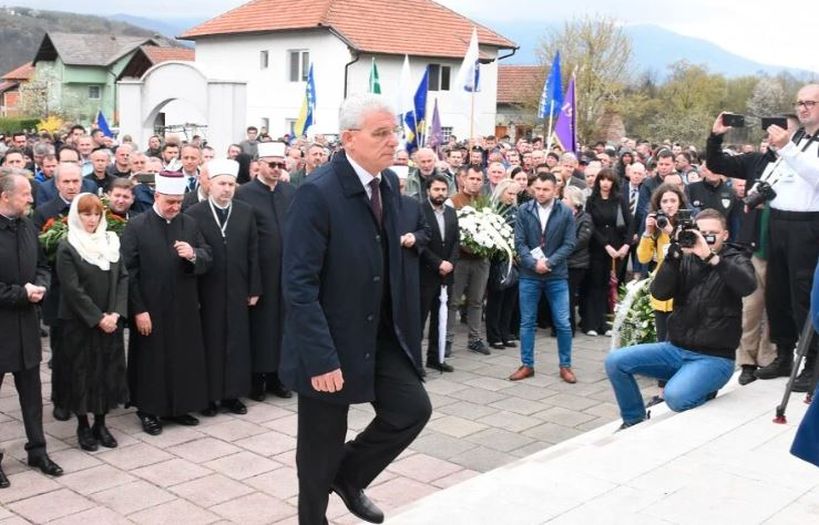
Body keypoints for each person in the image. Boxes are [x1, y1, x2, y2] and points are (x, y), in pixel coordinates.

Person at [280, 94, 431, 524]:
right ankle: (313, 518)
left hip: (376, 333)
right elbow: (298, 284)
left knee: (411, 410)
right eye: (380, 133)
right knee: (320, 445)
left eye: (393, 132)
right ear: (348, 139)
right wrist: (321, 358)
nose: (392, 142)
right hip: (328, 340)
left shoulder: (387, 185)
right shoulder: (318, 193)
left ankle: (349, 476)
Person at [605, 209, 756, 429]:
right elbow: (660, 293)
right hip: (675, 349)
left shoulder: (736, 258)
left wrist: (710, 257)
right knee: (615, 362)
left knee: (675, 397)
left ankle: (703, 387)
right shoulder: (684, 258)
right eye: (701, 233)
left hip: (714, 358)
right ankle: (633, 419)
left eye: (712, 234)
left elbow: (747, 286)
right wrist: (672, 258)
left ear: (725, 235)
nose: (705, 238)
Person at [121, 171, 212, 435]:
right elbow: (129, 272)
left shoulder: (190, 224)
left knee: (183, 357)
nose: (174, 207)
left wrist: (193, 254)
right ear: (157, 196)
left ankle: (180, 407)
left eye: (178, 202)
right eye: (169, 201)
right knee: (152, 361)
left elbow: (208, 255)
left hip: (183, 306)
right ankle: (149, 411)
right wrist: (138, 310)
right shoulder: (137, 226)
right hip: (151, 308)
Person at [746, 86, 819, 392]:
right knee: (777, 293)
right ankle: (784, 354)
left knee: (803, 295)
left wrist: (787, 147)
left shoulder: (796, 143)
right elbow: (778, 172)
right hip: (778, 220)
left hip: (808, 224)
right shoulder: (798, 137)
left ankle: (813, 363)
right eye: (799, 103)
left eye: (810, 103)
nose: (803, 108)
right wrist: (759, 188)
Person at [0, 171, 64, 487]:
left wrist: (40, 286)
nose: (31, 199)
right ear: (5, 196)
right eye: (25, 193)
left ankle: (37, 450)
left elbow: (42, 265)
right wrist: (21, 294)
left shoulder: (27, 225)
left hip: (26, 325)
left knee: (33, 395)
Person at [54, 194, 128, 451]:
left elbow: (122, 278)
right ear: (77, 215)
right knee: (82, 372)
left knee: (107, 371)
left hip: (110, 319)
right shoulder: (68, 245)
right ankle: (83, 424)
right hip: (80, 322)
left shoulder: (111, 240)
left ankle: (101, 422)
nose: (92, 220)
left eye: (96, 214)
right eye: (86, 214)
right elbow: (72, 289)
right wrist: (98, 318)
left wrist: (116, 313)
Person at [187, 159, 261, 416]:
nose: (227, 189)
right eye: (221, 183)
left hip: (239, 288)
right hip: (209, 289)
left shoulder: (245, 211)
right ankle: (209, 396)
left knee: (237, 342)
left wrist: (254, 288)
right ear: (210, 185)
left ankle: (232, 394)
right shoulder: (195, 213)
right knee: (211, 341)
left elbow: (254, 252)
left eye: (231, 184)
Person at [236, 142, 296, 400]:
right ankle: (257, 378)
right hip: (260, 272)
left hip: (286, 272)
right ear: (258, 164)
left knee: (284, 326)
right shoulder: (245, 194)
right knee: (261, 327)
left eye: (280, 165)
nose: (275, 169)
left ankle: (278, 377)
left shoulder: (290, 191)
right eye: (271, 164)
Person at [509, 172, 577, 383]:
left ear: (555, 190)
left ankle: (565, 365)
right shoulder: (524, 210)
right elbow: (519, 242)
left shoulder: (565, 212)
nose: (540, 193)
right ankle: (527, 364)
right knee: (527, 322)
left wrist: (549, 262)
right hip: (530, 275)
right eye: (537, 188)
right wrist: (533, 263)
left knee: (563, 322)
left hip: (556, 275)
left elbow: (569, 244)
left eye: (545, 189)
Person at [446, 164, 492, 355]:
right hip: (460, 260)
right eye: (471, 178)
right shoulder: (453, 201)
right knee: (453, 301)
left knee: (476, 301)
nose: (475, 182)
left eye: (479, 179)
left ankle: (475, 338)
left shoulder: (486, 202)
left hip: (480, 260)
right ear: (463, 179)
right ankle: (447, 339)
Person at [582, 168, 631, 336]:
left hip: (617, 249)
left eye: (609, 180)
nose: (605, 183)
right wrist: (605, 245)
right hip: (597, 247)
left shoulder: (620, 200)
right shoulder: (591, 200)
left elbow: (630, 224)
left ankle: (608, 324)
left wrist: (626, 245)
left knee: (610, 286)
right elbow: (591, 226)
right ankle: (591, 324)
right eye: (602, 179)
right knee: (595, 285)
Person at [419, 174, 459, 372]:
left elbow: (455, 241)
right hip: (426, 273)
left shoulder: (451, 212)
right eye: (436, 189)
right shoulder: (419, 210)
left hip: (446, 274)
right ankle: (414, 361)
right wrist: (438, 263)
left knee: (440, 318)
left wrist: (450, 263)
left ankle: (435, 358)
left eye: (443, 190)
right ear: (428, 191)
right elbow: (420, 245)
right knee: (419, 320)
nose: (440, 193)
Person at [485, 179, 520, 350]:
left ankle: (505, 332)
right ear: (501, 191)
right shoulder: (493, 210)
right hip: (498, 260)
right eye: (509, 193)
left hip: (515, 261)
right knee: (496, 298)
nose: (512, 197)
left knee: (510, 300)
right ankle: (494, 335)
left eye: (515, 194)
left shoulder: (517, 211)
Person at [562, 186, 593, 336]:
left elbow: (582, 240)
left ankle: (569, 329)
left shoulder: (584, 217)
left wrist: (563, 248)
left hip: (576, 264)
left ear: (574, 201)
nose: (562, 200)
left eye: (565, 198)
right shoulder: (562, 215)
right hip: (564, 261)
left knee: (569, 295)